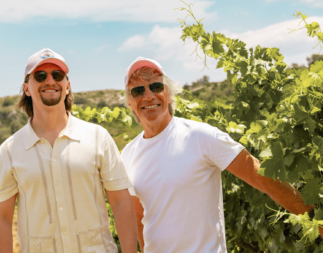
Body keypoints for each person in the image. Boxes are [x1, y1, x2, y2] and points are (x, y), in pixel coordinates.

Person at [121, 57, 321, 252]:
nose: (148, 96)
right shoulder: (128, 154)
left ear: (169, 94)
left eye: (156, 87)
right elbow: (139, 218)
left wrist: (314, 217)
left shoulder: (200, 136)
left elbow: (259, 175)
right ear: (130, 102)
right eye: (138, 91)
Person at [0, 48, 137, 253]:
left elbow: (121, 202)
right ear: (26, 88)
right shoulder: (9, 151)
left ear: (67, 86)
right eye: (40, 76)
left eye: (57, 75)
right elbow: (2, 218)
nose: (50, 81)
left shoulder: (98, 137)